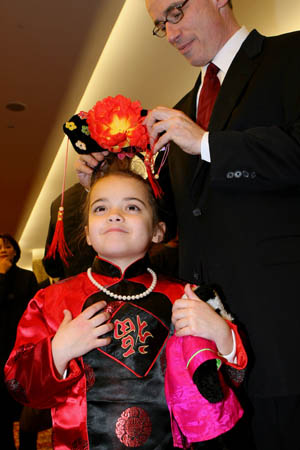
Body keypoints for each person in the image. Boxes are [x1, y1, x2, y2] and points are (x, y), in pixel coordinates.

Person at [74, 1, 300, 448]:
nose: (171, 33)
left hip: (283, 331)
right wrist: (108, 183)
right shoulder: (180, 111)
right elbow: (174, 220)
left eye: (175, 12)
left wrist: (208, 142)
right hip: (203, 347)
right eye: (160, 25)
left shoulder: (290, 57)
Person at [4, 165, 247, 449]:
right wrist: (59, 350)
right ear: (88, 234)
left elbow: (230, 382)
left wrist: (221, 334)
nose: (114, 215)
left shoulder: (188, 297)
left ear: (158, 231)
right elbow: (20, 387)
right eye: (100, 209)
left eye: (132, 207)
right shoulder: (51, 300)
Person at [0, 233, 38, 449]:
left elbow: (33, 312)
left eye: (7, 245)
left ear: (15, 250)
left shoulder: (27, 276)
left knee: (27, 410)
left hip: (22, 350)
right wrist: (2, 276)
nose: (3, 249)